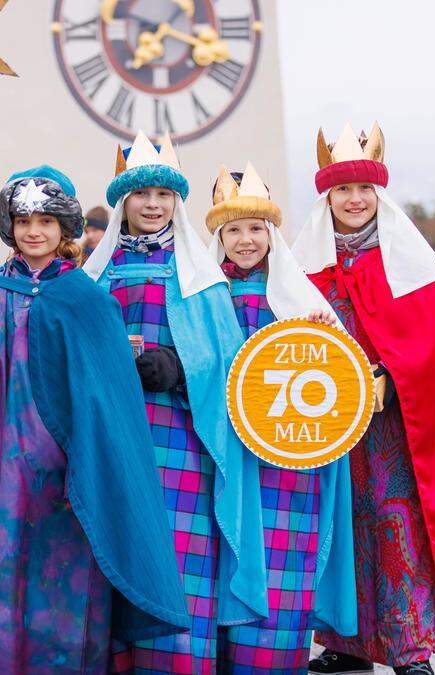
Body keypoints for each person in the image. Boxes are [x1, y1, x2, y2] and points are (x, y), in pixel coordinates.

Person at [0, 165, 189, 673]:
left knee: (63, 575)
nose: (34, 231)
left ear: (64, 228)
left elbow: (108, 397)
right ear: (10, 226)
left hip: (66, 468)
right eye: (24, 220)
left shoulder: (86, 298)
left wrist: (84, 453)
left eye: (47, 221)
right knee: (0, 563)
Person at [293, 125, 435, 675]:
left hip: (395, 428)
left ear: (379, 195)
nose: (354, 199)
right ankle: (346, 644)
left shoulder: (407, 265)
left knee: (396, 525)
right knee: (337, 526)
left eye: (364, 189)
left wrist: (391, 374)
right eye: (343, 191)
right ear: (328, 197)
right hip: (329, 424)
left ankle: (410, 648)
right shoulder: (305, 267)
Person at [82, 132, 268, 673]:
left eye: (164, 194)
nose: (153, 204)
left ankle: (180, 663)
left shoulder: (200, 275)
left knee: (181, 549)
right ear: (123, 201)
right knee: (119, 542)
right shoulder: (98, 272)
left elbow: (227, 359)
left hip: (180, 434)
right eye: (142, 195)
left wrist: (178, 367)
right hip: (116, 433)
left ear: (176, 202)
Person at [205, 163, 357, 674]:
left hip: (287, 460)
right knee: (227, 552)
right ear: (218, 237)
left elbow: (330, 378)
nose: (245, 240)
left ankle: (274, 662)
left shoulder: (302, 301)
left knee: (283, 559)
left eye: (255, 228)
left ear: (271, 234)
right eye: (233, 230)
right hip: (225, 450)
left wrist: (322, 337)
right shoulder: (206, 296)